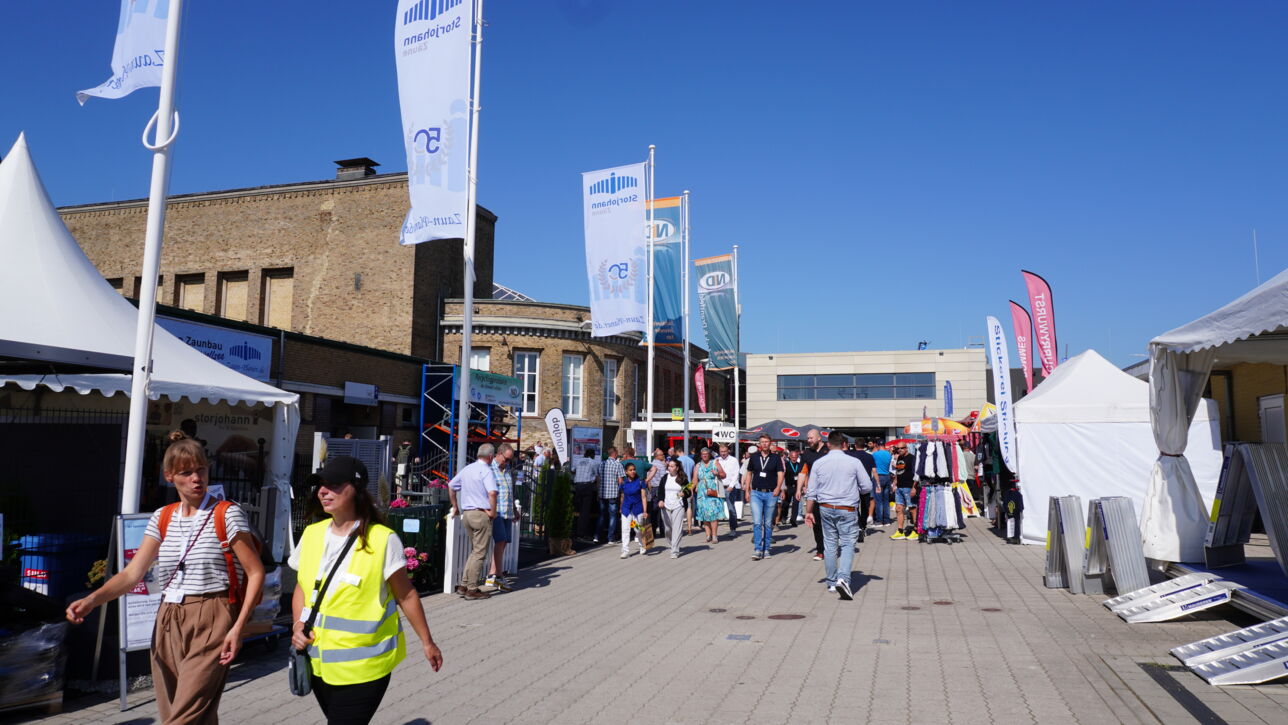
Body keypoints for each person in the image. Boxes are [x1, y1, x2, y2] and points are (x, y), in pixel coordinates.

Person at [66, 431, 265, 725]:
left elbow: (255, 571)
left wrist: (238, 627)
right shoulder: (162, 516)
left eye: (201, 470)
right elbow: (133, 573)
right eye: (187, 472)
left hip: (213, 612)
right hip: (169, 618)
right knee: (182, 711)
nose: (196, 478)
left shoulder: (227, 514)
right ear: (170, 476)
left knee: (184, 715)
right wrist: (93, 600)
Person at [289, 456, 444, 724]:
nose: (323, 491)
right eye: (320, 485)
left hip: (366, 667)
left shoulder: (382, 540)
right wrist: (297, 625)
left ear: (357, 489)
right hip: (318, 663)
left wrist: (427, 642)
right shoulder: (312, 534)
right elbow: (302, 587)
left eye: (333, 485)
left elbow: (406, 596)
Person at [804, 431, 872, 600]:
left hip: (825, 507)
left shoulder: (819, 463)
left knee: (829, 544)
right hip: (847, 507)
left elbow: (811, 492)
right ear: (844, 445)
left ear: (828, 444)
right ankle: (843, 578)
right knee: (848, 544)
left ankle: (832, 581)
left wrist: (808, 512)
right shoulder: (854, 462)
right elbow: (867, 486)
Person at [448, 445, 498, 600]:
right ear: (490, 456)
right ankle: (472, 588)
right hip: (481, 513)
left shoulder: (468, 469)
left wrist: (455, 506)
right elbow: (492, 492)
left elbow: (451, 486)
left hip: (467, 514)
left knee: (474, 551)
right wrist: (493, 512)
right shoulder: (486, 471)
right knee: (479, 552)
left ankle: (464, 585)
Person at [744, 434, 785, 560]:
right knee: (757, 522)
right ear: (759, 444)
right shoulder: (754, 457)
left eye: (767, 442)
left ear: (770, 443)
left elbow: (780, 473)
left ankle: (766, 549)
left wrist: (779, 488)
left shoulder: (775, 458)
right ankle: (757, 548)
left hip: (770, 493)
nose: (764, 444)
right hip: (756, 492)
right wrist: (747, 490)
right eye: (762, 442)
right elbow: (749, 473)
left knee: (767, 523)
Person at [485, 444, 518, 592]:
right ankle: (497, 575)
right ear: (499, 454)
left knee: (504, 543)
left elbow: (510, 491)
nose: (508, 462)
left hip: (507, 510)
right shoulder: (489, 469)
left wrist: (515, 509)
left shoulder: (507, 469)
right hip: (496, 511)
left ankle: (492, 573)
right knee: (501, 540)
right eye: (506, 459)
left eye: (510, 460)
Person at [797, 429, 830, 561]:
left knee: (829, 523)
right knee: (816, 522)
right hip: (815, 494)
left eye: (811, 438)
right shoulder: (806, 453)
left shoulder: (829, 451)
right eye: (808, 438)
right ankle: (820, 550)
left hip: (830, 493)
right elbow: (802, 472)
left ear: (819, 438)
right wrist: (798, 489)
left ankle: (831, 547)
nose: (809, 440)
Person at [658, 459, 689, 558]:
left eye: (672, 466)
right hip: (666, 506)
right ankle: (672, 545)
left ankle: (675, 550)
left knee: (677, 529)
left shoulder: (682, 478)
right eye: (669, 466)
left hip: (678, 506)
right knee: (667, 529)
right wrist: (660, 500)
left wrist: (684, 493)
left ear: (677, 468)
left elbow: (689, 491)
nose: (670, 468)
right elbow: (660, 491)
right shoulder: (664, 478)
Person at [693, 448, 724, 542]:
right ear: (701, 455)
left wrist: (717, 473)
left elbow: (724, 474)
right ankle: (708, 535)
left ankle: (714, 535)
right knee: (704, 514)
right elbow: (694, 480)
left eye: (706, 454)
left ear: (709, 455)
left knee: (713, 513)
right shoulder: (698, 466)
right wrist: (688, 490)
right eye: (703, 454)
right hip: (702, 492)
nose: (705, 455)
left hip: (713, 491)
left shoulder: (715, 463)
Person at [618, 463, 649, 558]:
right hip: (626, 509)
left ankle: (642, 545)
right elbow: (622, 496)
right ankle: (625, 550)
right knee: (625, 529)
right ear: (626, 472)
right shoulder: (623, 483)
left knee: (637, 529)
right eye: (630, 470)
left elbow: (643, 497)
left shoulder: (640, 482)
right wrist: (620, 507)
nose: (633, 471)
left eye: (634, 469)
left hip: (637, 508)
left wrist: (645, 511)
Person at [890, 442, 919, 540]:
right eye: (898, 448)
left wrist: (914, 487)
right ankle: (900, 531)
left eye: (902, 448)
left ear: (906, 448)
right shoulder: (899, 458)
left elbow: (916, 474)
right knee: (898, 509)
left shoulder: (912, 458)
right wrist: (895, 482)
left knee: (912, 509)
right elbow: (898, 471)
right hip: (900, 487)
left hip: (909, 487)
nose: (899, 450)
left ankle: (916, 530)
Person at [572, 449, 601, 540]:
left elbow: (573, 471)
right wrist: (598, 490)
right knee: (585, 511)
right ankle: (582, 533)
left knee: (578, 510)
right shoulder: (593, 462)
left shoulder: (578, 461)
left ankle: (576, 531)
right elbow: (597, 477)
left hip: (578, 486)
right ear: (592, 455)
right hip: (587, 486)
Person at [598, 447, 625, 544]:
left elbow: (598, 479)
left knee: (602, 515)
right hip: (613, 494)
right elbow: (620, 481)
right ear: (615, 453)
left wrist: (598, 491)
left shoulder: (602, 464)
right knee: (613, 516)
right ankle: (610, 538)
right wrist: (621, 492)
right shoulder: (618, 464)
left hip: (602, 493)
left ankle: (597, 536)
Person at [716, 444, 742, 534]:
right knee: (716, 508)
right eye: (721, 452)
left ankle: (733, 528)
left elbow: (736, 474)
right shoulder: (716, 460)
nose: (723, 453)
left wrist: (731, 485)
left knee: (731, 508)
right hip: (718, 487)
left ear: (728, 451)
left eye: (724, 451)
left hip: (729, 487)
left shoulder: (733, 460)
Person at [644, 448, 667, 537]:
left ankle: (652, 530)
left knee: (653, 511)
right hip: (659, 488)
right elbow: (663, 478)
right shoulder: (661, 465)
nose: (663, 456)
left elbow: (648, 478)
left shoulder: (651, 464)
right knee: (661, 510)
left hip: (652, 489)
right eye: (662, 455)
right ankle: (662, 531)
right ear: (657, 456)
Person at [779, 446, 803, 528]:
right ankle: (784, 517)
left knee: (796, 504)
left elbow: (803, 475)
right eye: (792, 457)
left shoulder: (799, 465)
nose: (794, 458)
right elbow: (782, 476)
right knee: (786, 504)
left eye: (795, 457)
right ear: (789, 457)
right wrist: (782, 488)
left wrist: (803, 487)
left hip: (797, 487)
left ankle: (793, 520)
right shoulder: (786, 465)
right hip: (788, 487)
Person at [871, 438, 893, 527]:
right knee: (886, 500)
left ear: (877, 445)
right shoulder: (889, 454)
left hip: (878, 477)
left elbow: (873, 466)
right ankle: (887, 520)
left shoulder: (875, 454)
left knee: (878, 500)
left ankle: (879, 520)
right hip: (887, 476)